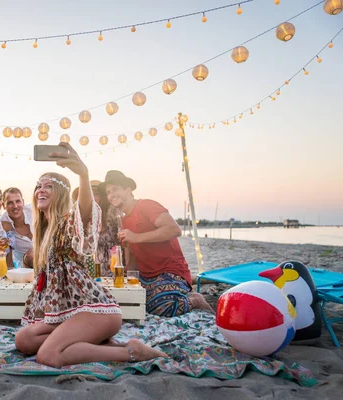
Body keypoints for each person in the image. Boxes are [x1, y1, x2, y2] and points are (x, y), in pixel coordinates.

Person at [15, 143, 166, 368]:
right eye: (39, 186)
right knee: (24, 339)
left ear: (61, 194)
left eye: (49, 186)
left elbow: (84, 213)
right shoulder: (44, 232)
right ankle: (104, 345)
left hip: (96, 310)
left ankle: (132, 351)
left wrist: (83, 175)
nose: (41, 190)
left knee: (49, 356)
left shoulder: (68, 222)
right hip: (71, 312)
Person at [100, 170, 213, 317]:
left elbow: (174, 229)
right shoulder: (123, 221)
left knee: (162, 306)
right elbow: (133, 260)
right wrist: (126, 272)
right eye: (108, 192)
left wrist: (136, 237)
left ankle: (196, 299)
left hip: (170, 271)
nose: (111, 195)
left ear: (128, 190)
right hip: (146, 276)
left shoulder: (146, 205)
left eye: (115, 189)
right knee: (127, 301)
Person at [0, 187, 34, 268]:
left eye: (18, 201)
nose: (15, 206)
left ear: (23, 202)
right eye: (10, 203)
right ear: (4, 206)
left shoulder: (34, 211)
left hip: (47, 260)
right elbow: (7, 254)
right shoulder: (3, 226)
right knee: (31, 255)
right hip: (25, 267)